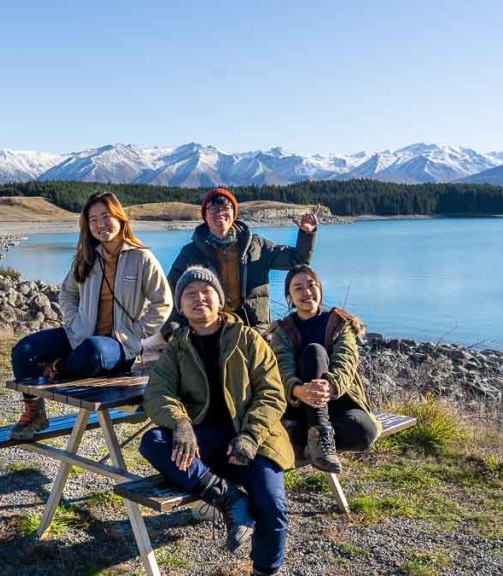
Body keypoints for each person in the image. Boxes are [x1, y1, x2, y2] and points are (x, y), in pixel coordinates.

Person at [139, 266, 292, 576]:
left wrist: (250, 435)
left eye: (206, 292)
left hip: (253, 438)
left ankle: (265, 570)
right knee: (154, 441)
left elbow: (272, 393)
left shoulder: (247, 338)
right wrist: (181, 424)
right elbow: (157, 394)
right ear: (180, 306)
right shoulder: (178, 347)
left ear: (219, 300)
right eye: (189, 294)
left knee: (272, 505)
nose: (199, 299)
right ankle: (229, 498)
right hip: (204, 440)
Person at [9, 191, 172, 440]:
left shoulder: (142, 258)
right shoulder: (86, 257)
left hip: (116, 346)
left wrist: (137, 333)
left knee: (94, 350)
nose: (100, 224)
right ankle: (34, 411)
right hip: (79, 336)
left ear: (120, 218)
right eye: (93, 220)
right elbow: (67, 295)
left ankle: (59, 367)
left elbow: (163, 302)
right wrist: (74, 322)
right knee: (23, 350)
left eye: (106, 216)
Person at [269, 265, 381, 473]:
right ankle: (319, 438)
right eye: (298, 288)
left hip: (338, 399)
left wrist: (331, 385)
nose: (306, 293)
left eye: (311, 285)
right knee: (314, 352)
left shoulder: (339, 322)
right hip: (298, 403)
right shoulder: (282, 330)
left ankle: (309, 438)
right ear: (289, 296)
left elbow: (346, 359)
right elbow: (282, 366)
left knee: (365, 432)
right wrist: (296, 390)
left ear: (319, 288)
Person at [163, 188, 318, 334]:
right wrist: (172, 330)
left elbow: (297, 260)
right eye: (213, 208)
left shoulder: (257, 246)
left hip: (254, 328)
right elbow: (170, 291)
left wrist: (306, 233)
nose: (220, 213)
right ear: (205, 215)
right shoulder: (191, 253)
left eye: (226, 208)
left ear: (234, 213)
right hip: (208, 329)